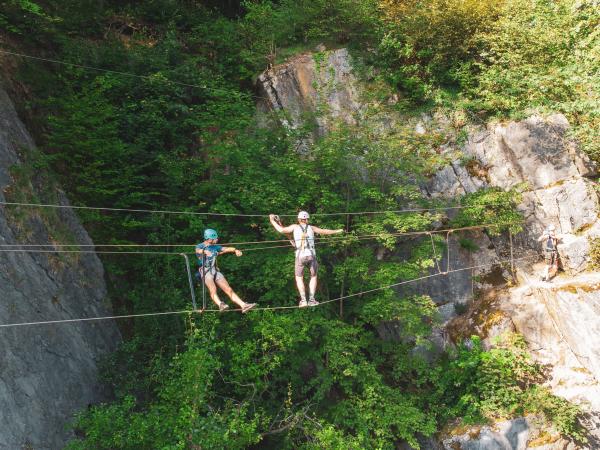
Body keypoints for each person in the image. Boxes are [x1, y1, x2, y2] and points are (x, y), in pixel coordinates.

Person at [269, 211, 344, 307]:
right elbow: (325, 231)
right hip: (311, 256)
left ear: (298, 219)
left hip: (300, 256)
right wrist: (337, 231)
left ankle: (304, 300)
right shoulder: (311, 228)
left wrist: (272, 221)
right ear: (307, 219)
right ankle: (312, 300)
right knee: (313, 276)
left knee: (299, 278)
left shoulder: (294, 227)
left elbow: (281, 230)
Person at [196, 229, 256, 313]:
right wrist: (205, 251)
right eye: (215, 238)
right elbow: (197, 250)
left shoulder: (216, 247)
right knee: (213, 289)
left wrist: (235, 250)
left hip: (214, 270)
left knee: (228, 289)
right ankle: (220, 304)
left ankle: (243, 305)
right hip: (205, 270)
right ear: (209, 239)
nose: (217, 240)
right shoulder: (200, 246)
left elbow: (226, 249)